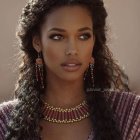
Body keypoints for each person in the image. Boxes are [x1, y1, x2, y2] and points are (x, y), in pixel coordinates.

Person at [0, 0, 139, 140]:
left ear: (94, 41)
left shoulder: (131, 115)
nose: (72, 50)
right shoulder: (4, 122)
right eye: (58, 37)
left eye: (83, 36)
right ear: (37, 42)